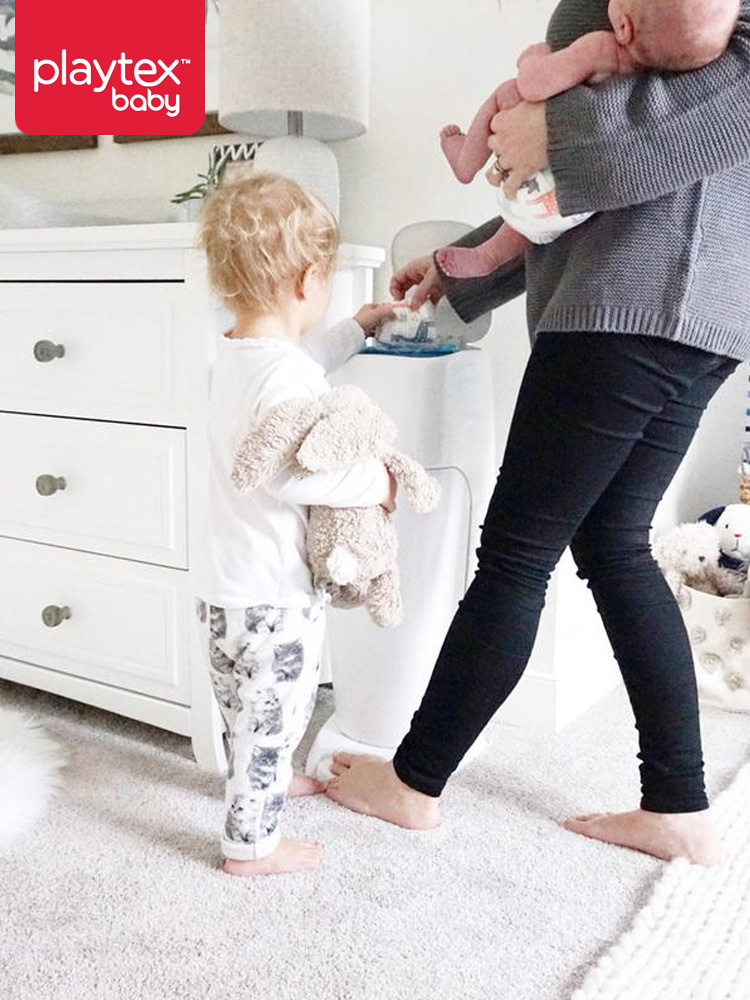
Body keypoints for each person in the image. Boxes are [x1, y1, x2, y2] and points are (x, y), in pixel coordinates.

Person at [326, 0, 750, 866]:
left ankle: (413, 783)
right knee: (613, 542)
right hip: (689, 311)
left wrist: (552, 122)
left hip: (633, 304)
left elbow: (712, 107)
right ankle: (679, 803)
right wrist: (464, 265)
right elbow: (574, 196)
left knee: (518, 552)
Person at [195, 172, 395, 876]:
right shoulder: (281, 376)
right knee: (271, 715)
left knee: (248, 713)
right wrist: (376, 478)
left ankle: (264, 788)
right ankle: (252, 846)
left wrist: (356, 330)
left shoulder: (239, 355)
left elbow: (303, 362)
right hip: (272, 592)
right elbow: (295, 469)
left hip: (226, 586)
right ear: (310, 278)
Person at [438, 0, 740, 278]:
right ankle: (489, 255)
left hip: (553, 178)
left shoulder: (601, 49)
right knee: (531, 223)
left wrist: (534, 57)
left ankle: (466, 160)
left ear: (623, 26)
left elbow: (532, 85)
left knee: (507, 92)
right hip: (571, 209)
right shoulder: (658, 76)